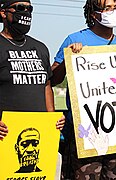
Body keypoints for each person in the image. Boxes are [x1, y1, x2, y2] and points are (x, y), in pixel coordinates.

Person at [51, 0, 116, 179]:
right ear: (94, 14)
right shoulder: (75, 39)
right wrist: (68, 57)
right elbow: (53, 79)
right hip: (85, 133)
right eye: (108, 8)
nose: (114, 11)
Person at [0, 0, 65, 178]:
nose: (26, 13)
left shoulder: (40, 48)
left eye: (29, 9)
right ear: (3, 13)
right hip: (4, 137)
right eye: (20, 8)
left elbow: (46, 84)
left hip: (39, 138)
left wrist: (53, 118)